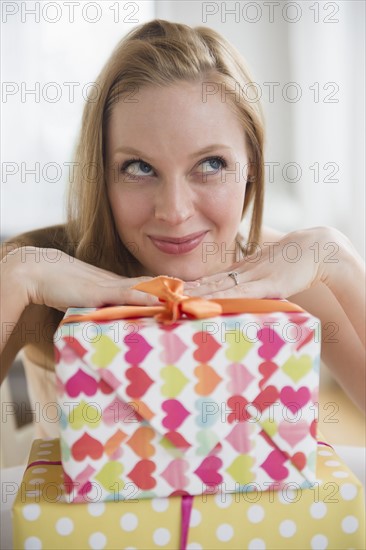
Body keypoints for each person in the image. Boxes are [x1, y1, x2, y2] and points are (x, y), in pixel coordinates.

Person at [1, 19, 365, 440]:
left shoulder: (294, 274)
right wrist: (15, 277)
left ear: (252, 167)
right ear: (100, 174)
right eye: (139, 168)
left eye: (211, 164)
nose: (174, 212)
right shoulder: (38, 280)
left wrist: (342, 260)